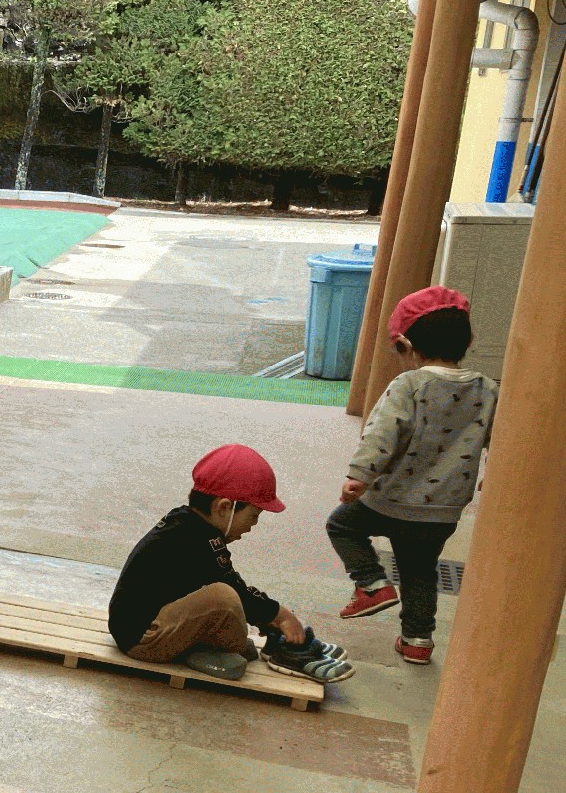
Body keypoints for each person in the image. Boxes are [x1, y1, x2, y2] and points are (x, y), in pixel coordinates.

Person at [328, 286, 496, 665]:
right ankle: (418, 640)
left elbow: (382, 434)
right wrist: (495, 474)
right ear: (468, 341)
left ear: (406, 345)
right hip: (442, 512)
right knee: (419, 571)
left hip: (389, 499)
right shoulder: (487, 389)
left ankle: (372, 583)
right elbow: (502, 437)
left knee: (342, 525)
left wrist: (359, 476)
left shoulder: (409, 385)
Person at [108, 445, 353, 684]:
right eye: (253, 516)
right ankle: (283, 652)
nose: (253, 525)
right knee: (224, 598)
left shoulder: (186, 524)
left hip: (142, 628)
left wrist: (267, 617)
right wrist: (279, 615)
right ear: (224, 507)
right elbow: (234, 588)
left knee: (234, 615)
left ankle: (231, 644)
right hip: (144, 639)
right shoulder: (196, 539)